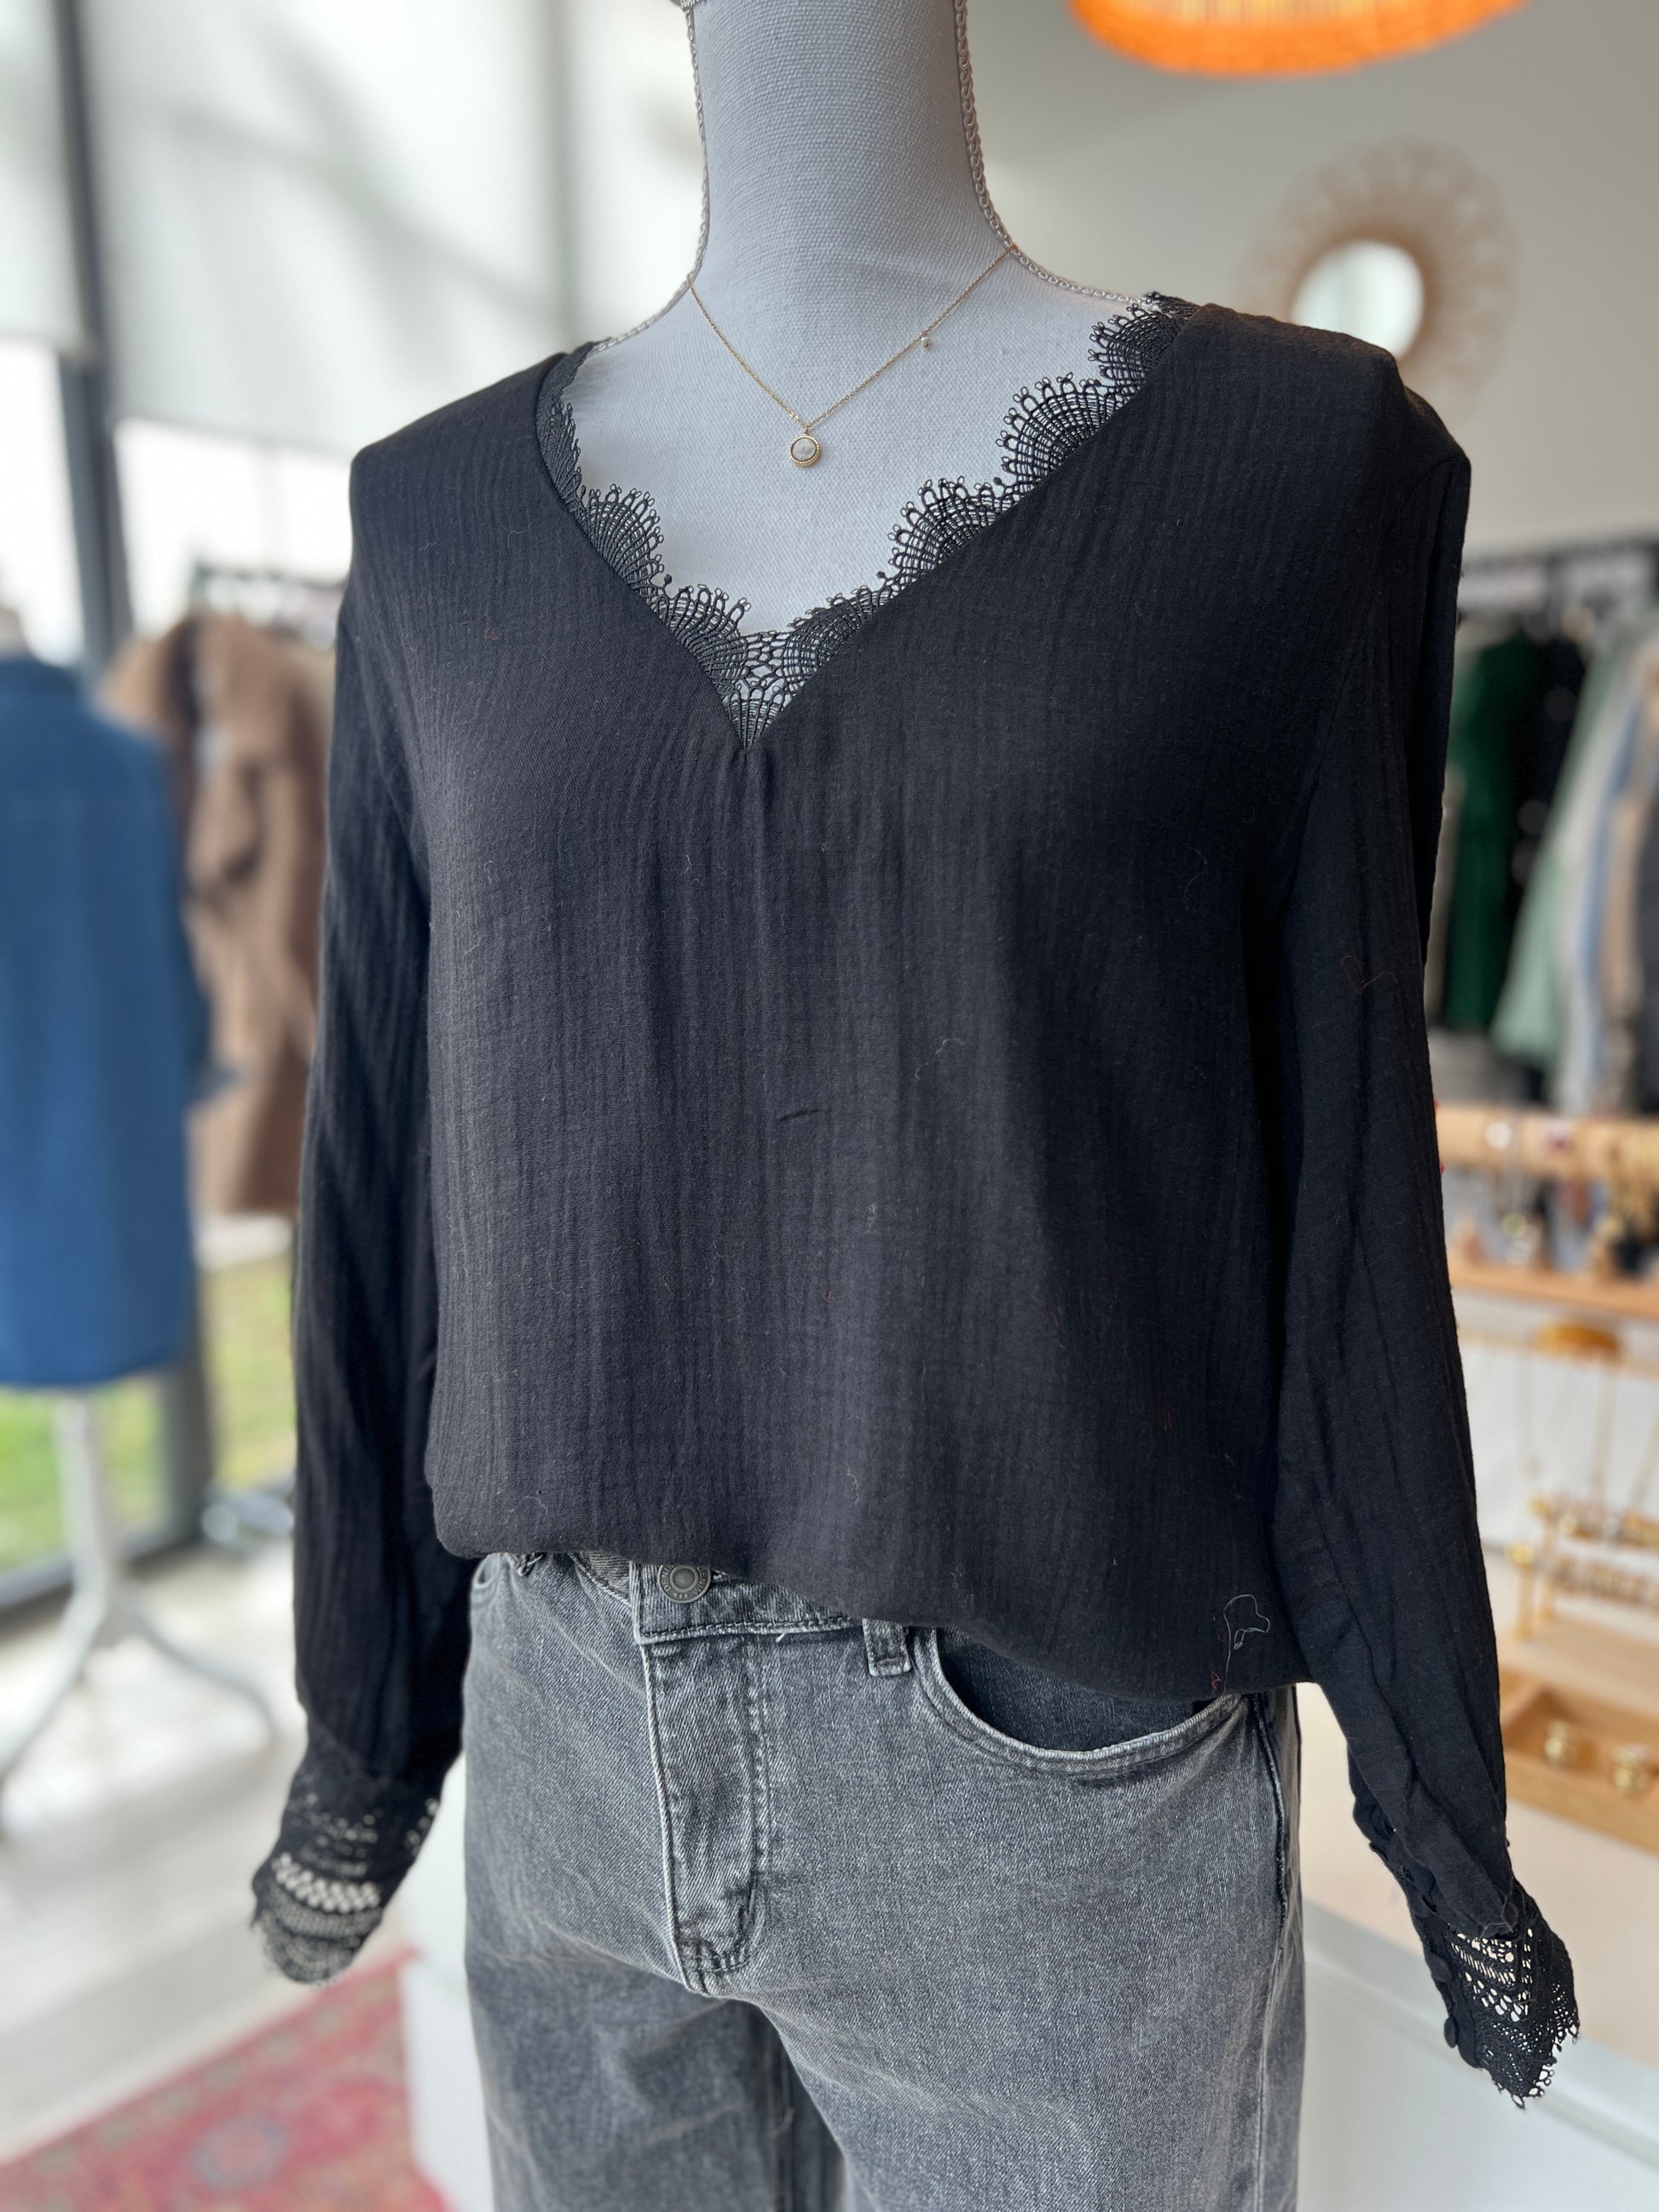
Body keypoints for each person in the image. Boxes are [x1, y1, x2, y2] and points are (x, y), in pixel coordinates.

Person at [253, 3, 1575, 2205]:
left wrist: (1432, 1786)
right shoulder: (434, 522)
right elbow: (387, 1158)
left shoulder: (1288, 470)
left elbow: (1346, 1185)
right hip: (565, 1738)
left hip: (1053, 1786)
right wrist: (368, 1716)